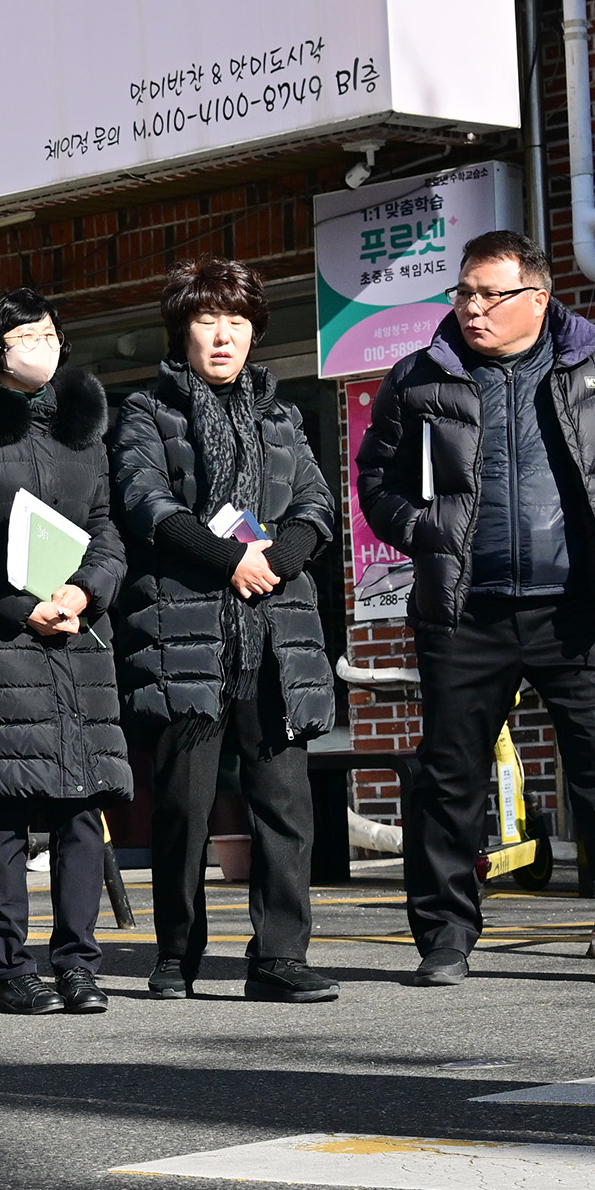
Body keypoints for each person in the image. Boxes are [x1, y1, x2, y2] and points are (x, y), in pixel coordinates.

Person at [356, 230, 595, 985]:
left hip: (576, 607)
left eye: (491, 294)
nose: (472, 308)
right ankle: (445, 940)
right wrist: (421, 530)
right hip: (465, 610)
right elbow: (375, 473)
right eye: (465, 292)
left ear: (537, 298)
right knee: (450, 778)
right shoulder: (422, 376)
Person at [111, 260, 342, 1003]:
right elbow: (145, 501)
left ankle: (280, 958)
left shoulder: (281, 415)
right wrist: (229, 561)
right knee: (184, 807)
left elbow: (316, 506)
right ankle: (176, 953)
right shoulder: (146, 409)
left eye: (237, 321)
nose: (223, 336)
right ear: (181, 330)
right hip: (189, 634)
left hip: (275, 637)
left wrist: (269, 563)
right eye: (208, 320)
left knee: (285, 804)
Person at [0, 290, 132, 1016]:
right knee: (5, 812)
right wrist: (19, 604)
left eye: (50, 333)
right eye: (25, 335)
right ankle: (11, 971)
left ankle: (79, 966)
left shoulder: (83, 430)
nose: (42, 344)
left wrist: (82, 594)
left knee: (79, 809)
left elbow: (106, 529)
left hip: (74, 637)